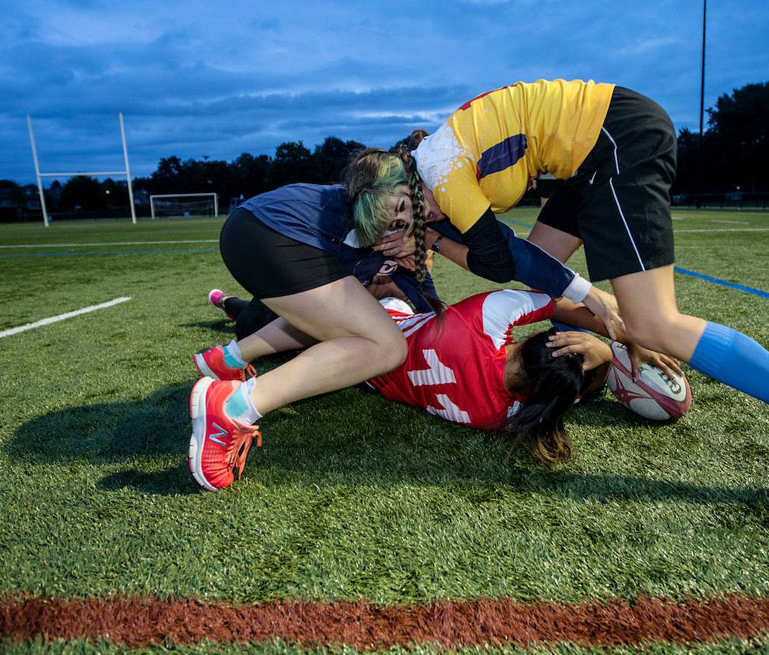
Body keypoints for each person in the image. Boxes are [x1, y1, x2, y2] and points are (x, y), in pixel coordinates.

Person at [404, 79, 769, 511]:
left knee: (653, 322)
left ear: (408, 189)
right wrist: (432, 241)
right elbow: (514, 261)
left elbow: (496, 260)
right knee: (544, 279)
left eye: (409, 219)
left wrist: (433, 241)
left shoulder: (442, 174)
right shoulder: (439, 165)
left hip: (613, 141)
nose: (419, 225)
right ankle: (603, 347)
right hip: (588, 155)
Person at [191, 145, 619, 490]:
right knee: (383, 345)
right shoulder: (495, 412)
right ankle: (233, 406)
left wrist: (420, 255)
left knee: (357, 332)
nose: (430, 216)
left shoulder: (427, 219)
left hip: (261, 232)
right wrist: (607, 320)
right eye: (407, 216)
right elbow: (512, 262)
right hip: (274, 235)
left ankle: (228, 362)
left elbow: (461, 284)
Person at [204, 287, 682, 466]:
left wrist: (611, 340)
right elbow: (564, 391)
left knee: (280, 311)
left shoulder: (485, 321)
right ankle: (232, 311)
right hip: (375, 376)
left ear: (537, 339)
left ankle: (228, 322)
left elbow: (559, 302)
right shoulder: (507, 414)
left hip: (374, 330)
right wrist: (604, 369)